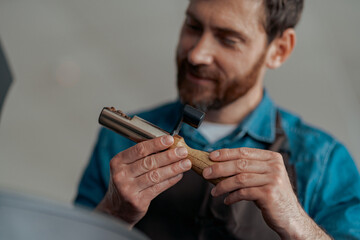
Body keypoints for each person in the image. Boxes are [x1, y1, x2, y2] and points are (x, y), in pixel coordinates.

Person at [75, 0, 360, 239]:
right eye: (193, 26)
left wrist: (296, 221)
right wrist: (112, 214)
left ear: (279, 49)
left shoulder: (323, 160)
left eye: (228, 39)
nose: (198, 54)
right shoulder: (117, 139)